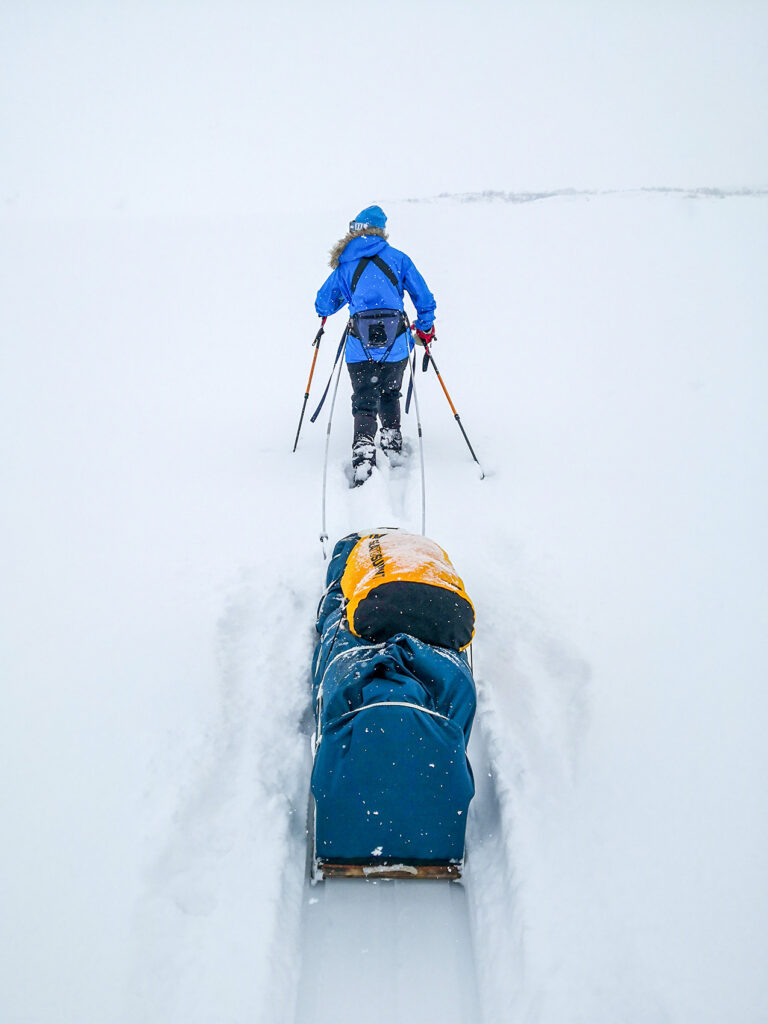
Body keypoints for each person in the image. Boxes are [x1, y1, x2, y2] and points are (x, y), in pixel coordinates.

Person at [315, 205, 436, 485]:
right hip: (397, 346)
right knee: (390, 393)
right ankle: (392, 443)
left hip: (359, 346)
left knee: (364, 398)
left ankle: (363, 451)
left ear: (357, 229)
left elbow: (323, 303)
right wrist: (425, 328)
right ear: (381, 231)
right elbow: (425, 300)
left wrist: (349, 294)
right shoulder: (399, 259)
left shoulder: (346, 264)